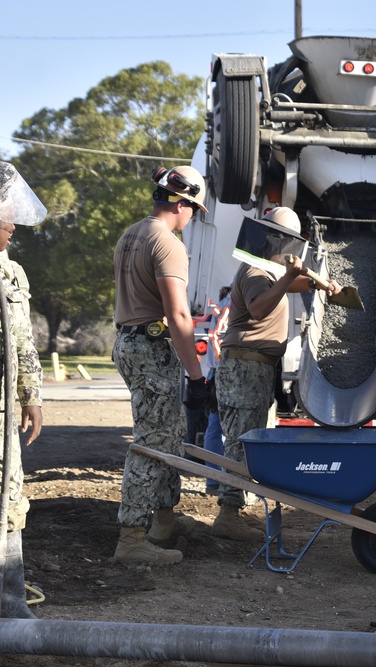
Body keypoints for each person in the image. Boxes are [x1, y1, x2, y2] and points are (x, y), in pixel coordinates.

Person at [212, 207, 340, 540]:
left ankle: (237, 509)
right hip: (246, 367)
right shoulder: (257, 271)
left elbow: (293, 284)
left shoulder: (268, 270)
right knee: (241, 441)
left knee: (252, 439)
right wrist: (289, 278)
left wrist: (322, 283)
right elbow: (258, 307)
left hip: (257, 367)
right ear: (278, 240)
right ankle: (227, 515)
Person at [112, 165, 211, 564]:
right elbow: (179, 315)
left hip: (129, 341)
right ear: (183, 204)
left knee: (166, 431)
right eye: (195, 210)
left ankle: (165, 518)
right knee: (152, 441)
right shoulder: (168, 243)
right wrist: (198, 376)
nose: (192, 218)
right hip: (150, 348)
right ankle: (132, 537)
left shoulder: (130, 234)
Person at [0, 162, 46, 617]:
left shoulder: (12, 273)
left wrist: (31, 396)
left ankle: (10, 606)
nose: (13, 227)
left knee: (11, 498)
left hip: (2, 415)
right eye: (5, 217)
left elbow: (24, 340)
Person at [202, 284, 231, 493]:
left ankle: (214, 479)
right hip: (223, 373)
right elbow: (216, 335)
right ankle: (216, 480)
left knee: (216, 427)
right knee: (219, 427)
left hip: (217, 372)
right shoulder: (231, 303)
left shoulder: (224, 302)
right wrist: (225, 366)